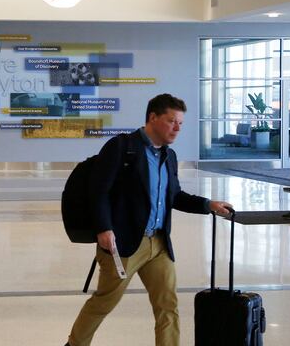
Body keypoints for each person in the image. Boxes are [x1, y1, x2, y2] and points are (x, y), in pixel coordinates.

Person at [65, 94, 233, 346]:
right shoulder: (122, 147)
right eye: (171, 121)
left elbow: (175, 196)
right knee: (104, 301)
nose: (177, 128)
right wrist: (103, 228)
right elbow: (98, 191)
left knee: (168, 305)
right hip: (123, 244)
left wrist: (207, 205)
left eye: (180, 123)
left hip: (158, 244)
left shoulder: (169, 156)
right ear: (152, 118)